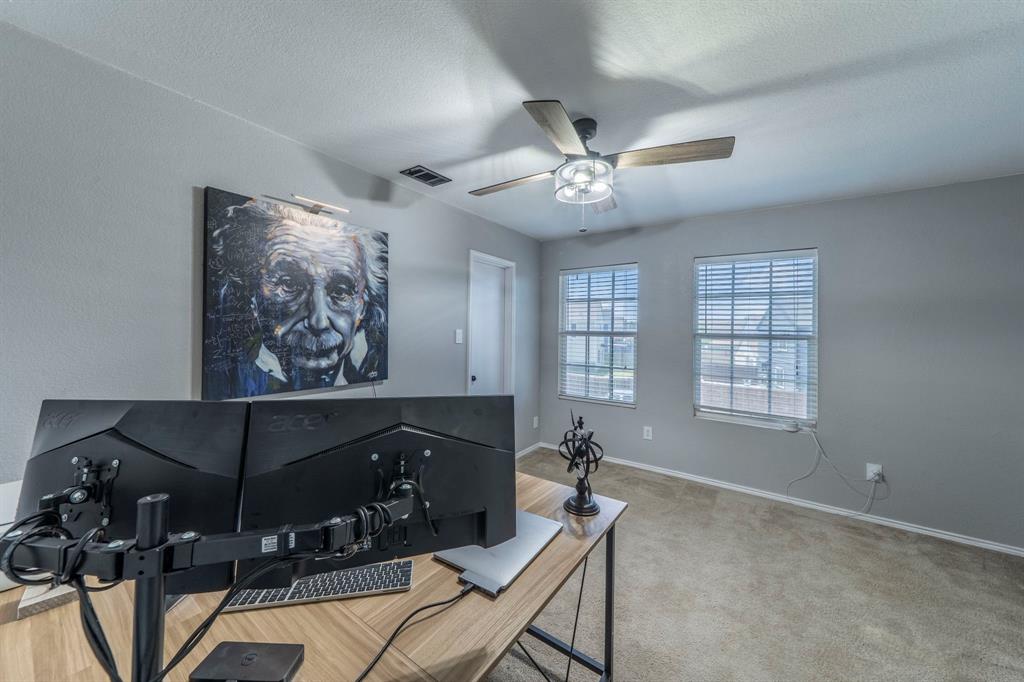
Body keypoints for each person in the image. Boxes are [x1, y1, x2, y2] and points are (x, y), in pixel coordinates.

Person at [203, 199, 388, 399]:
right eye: (289, 284)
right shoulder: (226, 383)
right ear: (252, 295)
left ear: (363, 306)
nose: (318, 321)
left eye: (340, 291)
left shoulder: (365, 372)